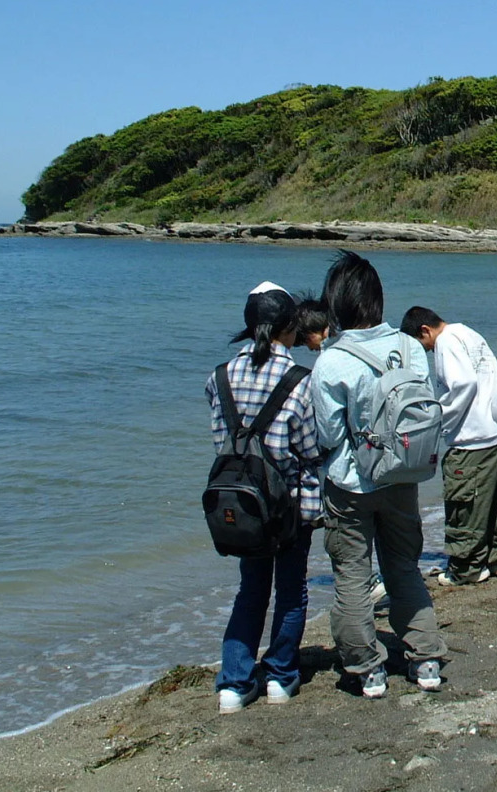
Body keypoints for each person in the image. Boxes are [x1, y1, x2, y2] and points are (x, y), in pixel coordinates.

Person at [311, 252, 447, 699]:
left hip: (351, 483)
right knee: (404, 566)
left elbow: (329, 434)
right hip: (401, 476)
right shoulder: (409, 346)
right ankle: (425, 659)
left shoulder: (331, 361)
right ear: (377, 299)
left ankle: (367, 668)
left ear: (336, 304)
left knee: (352, 574)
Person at [205, 282, 323, 714]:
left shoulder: (218, 376)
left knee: (250, 591)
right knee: (291, 591)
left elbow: (223, 440)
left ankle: (234, 684)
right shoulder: (299, 380)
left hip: (240, 502)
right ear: (290, 327)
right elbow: (309, 451)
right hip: (288, 505)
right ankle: (279, 676)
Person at [399, 307, 497, 586]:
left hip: (474, 436)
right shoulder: (467, 332)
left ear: (425, 331)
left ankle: (466, 566)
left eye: (423, 346)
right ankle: (496, 556)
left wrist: (438, 418)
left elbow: (462, 384)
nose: (427, 352)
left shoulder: (446, 342)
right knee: (486, 500)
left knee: (463, 502)